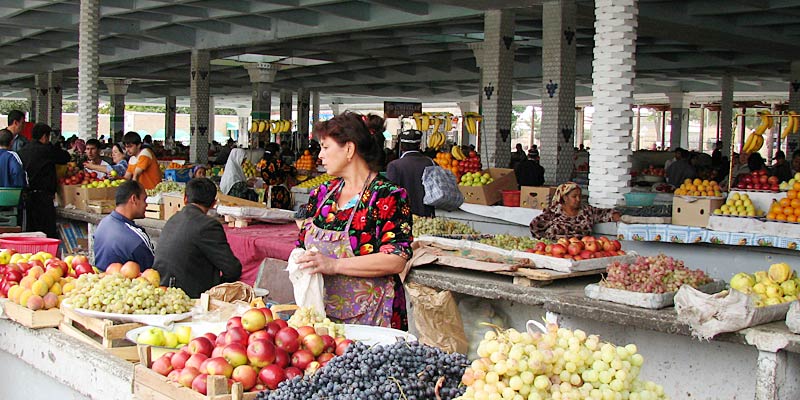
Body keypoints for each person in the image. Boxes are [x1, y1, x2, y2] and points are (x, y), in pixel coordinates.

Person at [294, 111, 413, 329]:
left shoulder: (386, 196)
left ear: (349, 149)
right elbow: (301, 244)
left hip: (374, 319)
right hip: (323, 320)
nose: (320, 156)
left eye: (325, 147)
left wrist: (335, 265)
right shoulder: (322, 193)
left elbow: (396, 259)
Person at [153, 178, 242, 298]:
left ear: (185, 199)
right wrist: (217, 289)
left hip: (162, 288)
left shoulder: (173, 219)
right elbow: (232, 269)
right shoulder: (208, 225)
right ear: (213, 203)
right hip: (187, 296)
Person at [17, 123, 70, 238]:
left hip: (27, 197)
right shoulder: (46, 150)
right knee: (47, 232)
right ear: (45, 136)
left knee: (31, 232)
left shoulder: (22, 151)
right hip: (44, 198)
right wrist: (52, 146)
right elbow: (65, 157)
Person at [93, 180, 155, 271]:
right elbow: (152, 272)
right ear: (134, 199)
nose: (146, 204)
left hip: (102, 277)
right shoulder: (136, 239)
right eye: (144, 200)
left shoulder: (103, 224)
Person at [529, 182, 620, 240]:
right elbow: (534, 226)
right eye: (574, 196)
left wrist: (615, 215)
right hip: (557, 250)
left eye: (580, 196)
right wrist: (547, 241)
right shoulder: (553, 212)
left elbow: (605, 213)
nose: (578, 199)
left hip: (582, 250)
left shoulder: (587, 211)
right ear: (565, 198)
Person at [385, 129, 434, 217]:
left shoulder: (394, 165)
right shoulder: (431, 163)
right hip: (427, 217)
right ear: (419, 145)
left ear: (402, 146)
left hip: (403, 217)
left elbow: (390, 195)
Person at [259, 143, 293, 209]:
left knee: (269, 212)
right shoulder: (279, 163)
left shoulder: (263, 164)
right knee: (281, 212)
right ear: (276, 153)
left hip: (268, 192)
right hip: (280, 192)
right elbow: (292, 171)